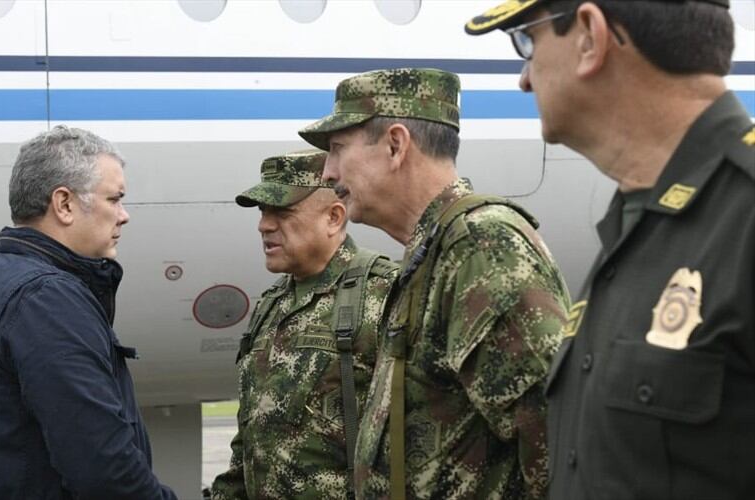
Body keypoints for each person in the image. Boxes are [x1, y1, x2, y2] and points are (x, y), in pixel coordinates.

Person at [465, 1, 755, 499]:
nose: (524, 80)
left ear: (591, 37)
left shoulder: (742, 213)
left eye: (528, 42)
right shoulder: (633, 221)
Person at [299, 68, 571, 499]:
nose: (328, 172)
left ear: (395, 145)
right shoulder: (434, 252)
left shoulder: (481, 247)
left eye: (337, 149)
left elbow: (557, 439)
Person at [0, 125, 177, 499]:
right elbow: (103, 466)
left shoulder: (4, 277)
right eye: (114, 199)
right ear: (64, 204)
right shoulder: (46, 298)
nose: (124, 215)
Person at [212, 150, 399, 499]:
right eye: (263, 212)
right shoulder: (273, 303)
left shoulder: (384, 295)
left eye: (282, 212)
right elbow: (251, 442)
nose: (264, 225)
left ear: (333, 217)